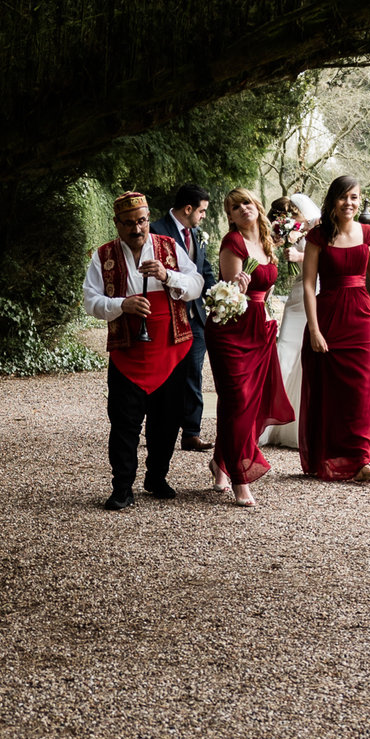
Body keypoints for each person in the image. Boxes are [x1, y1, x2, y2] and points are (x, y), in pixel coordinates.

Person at [86, 189, 201, 508]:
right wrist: (122, 304)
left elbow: (196, 285)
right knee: (124, 422)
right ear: (116, 223)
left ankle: (157, 477)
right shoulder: (103, 255)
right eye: (128, 224)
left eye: (142, 221)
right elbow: (90, 301)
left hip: (171, 348)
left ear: (148, 219)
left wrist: (169, 276)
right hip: (128, 352)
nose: (137, 229)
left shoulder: (169, 247)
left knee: (168, 420)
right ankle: (122, 486)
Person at [296, 175, 370, 483]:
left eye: (355, 197)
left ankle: (364, 459)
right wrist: (314, 330)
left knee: (364, 392)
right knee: (333, 394)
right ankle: (336, 455)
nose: (349, 203)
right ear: (333, 201)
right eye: (344, 197)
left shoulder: (368, 233)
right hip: (329, 318)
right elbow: (309, 285)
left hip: (361, 319)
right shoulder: (318, 237)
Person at [205, 188, 294, 505]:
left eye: (246, 202)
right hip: (231, 330)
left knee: (244, 404)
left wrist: (267, 315)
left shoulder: (268, 244)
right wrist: (238, 289)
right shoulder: (233, 243)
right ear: (229, 216)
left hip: (259, 329)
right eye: (234, 206)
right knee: (239, 398)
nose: (242, 208)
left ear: (257, 207)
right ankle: (241, 478)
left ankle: (221, 463)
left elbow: (266, 290)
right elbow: (228, 299)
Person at [151, 183, 216, 452]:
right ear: (188, 208)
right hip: (168, 313)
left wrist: (219, 295)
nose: (203, 216)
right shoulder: (155, 230)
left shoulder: (196, 234)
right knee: (164, 373)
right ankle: (157, 428)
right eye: (201, 211)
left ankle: (191, 432)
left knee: (194, 373)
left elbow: (205, 268)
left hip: (196, 316)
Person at [263, 192, 320, 453]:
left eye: (293, 214)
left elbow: (326, 262)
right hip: (297, 296)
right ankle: (267, 422)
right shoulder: (291, 231)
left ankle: (301, 426)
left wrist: (300, 257)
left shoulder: (319, 230)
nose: (291, 219)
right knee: (284, 349)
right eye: (287, 217)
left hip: (316, 292)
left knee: (305, 357)